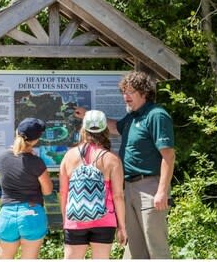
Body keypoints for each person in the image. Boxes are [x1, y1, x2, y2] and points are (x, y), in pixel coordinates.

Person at [74, 71, 175, 259]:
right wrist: (88, 115)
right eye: (124, 92)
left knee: (155, 245)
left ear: (144, 93)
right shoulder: (133, 117)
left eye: (130, 92)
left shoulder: (156, 115)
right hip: (128, 187)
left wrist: (161, 191)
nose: (125, 97)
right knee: (134, 245)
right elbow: (113, 127)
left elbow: (168, 156)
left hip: (150, 188)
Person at [59, 110, 127, 259]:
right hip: (104, 219)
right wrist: (122, 226)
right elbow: (118, 196)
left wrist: (66, 219)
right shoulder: (112, 159)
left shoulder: (69, 156)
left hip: (75, 219)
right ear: (105, 130)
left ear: (83, 128)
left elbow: (63, 192)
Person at [0, 117, 53, 259]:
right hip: (31, 214)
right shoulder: (36, 162)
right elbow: (47, 190)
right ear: (36, 140)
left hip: (7, 215)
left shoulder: (2, 157)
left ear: (16, 132)